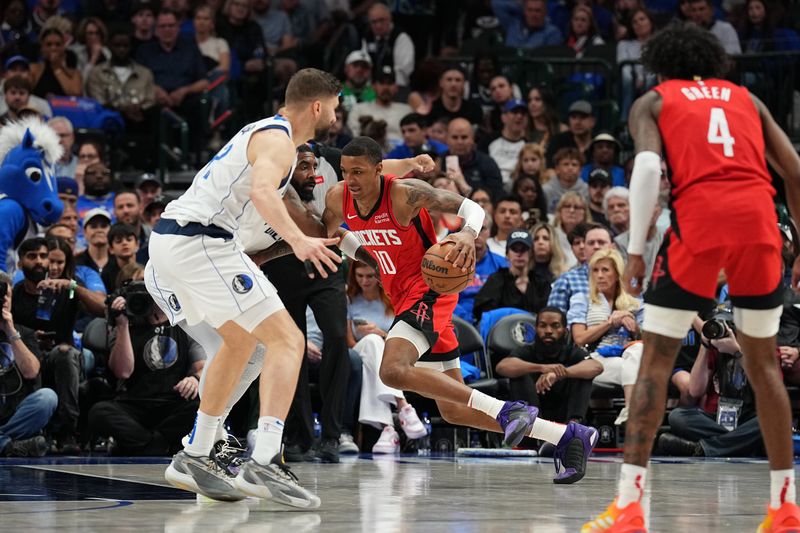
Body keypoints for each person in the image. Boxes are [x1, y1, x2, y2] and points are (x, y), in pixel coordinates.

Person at [582, 23, 800, 532]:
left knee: (655, 363)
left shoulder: (654, 100)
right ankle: (785, 507)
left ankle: (631, 507)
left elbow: (647, 170)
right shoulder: (747, 99)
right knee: (764, 365)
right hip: (759, 222)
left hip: (699, 223)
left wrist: (635, 249)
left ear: (662, 65)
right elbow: (793, 169)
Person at [324, 136, 598, 484]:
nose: (351, 179)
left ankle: (509, 410)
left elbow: (473, 208)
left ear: (379, 170)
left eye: (359, 171)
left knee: (392, 370)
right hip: (404, 297)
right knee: (453, 410)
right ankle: (566, 436)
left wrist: (468, 234)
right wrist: (370, 258)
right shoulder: (339, 197)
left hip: (430, 290)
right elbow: (331, 235)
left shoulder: (405, 193)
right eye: (345, 172)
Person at [148, 68, 342, 507]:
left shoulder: (268, 135)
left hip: (174, 243)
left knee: (241, 345)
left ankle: (195, 454)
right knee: (288, 341)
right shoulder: (278, 139)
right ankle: (266, 458)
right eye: (334, 105)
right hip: (200, 241)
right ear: (317, 105)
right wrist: (298, 240)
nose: (336, 113)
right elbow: (261, 192)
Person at [88, 277, 205, 455]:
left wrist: (194, 379)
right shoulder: (123, 324)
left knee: (202, 406)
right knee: (99, 412)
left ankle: (142, 444)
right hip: (134, 405)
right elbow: (123, 371)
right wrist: (122, 324)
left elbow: (201, 367)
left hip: (172, 403)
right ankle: (159, 444)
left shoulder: (184, 322)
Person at [345, 261, 427, 453]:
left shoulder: (391, 299)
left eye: (370, 276)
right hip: (359, 351)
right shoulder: (349, 299)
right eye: (360, 276)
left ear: (379, 276)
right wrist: (374, 338)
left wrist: (381, 333)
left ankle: (387, 429)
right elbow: (348, 341)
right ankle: (403, 406)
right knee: (372, 343)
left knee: (373, 356)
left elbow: (405, 339)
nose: (365, 281)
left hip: (390, 357)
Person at [569, 248, 643, 423]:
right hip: (594, 358)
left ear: (617, 274)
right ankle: (635, 415)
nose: (600, 275)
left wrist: (633, 326)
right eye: (595, 270)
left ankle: (629, 410)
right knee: (634, 369)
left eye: (605, 270)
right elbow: (579, 338)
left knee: (638, 350)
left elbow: (647, 339)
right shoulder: (582, 299)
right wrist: (610, 322)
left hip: (627, 355)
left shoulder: (635, 302)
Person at [496, 307, 602, 425]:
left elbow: (596, 367)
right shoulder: (527, 351)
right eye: (543, 325)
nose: (548, 331)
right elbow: (502, 367)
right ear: (536, 329)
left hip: (564, 410)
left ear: (565, 331)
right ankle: (528, 424)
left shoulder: (572, 352)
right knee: (518, 373)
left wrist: (559, 373)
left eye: (555, 326)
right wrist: (542, 368)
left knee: (583, 375)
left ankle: (574, 427)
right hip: (532, 413)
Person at [0, 271, 57, 458]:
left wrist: (9, 330)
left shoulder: (24, 333)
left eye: (5, 296)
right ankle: (9, 446)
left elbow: (31, 372)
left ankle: (4, 441)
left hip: (14, 415)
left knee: (47, 398)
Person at [473, 227, 553, 322]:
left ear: (531, 253)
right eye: (514, 249)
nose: (519, 254)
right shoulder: (496, 280)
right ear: (507, 254)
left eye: (523, 249)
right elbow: (483, 314)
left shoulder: (541, 283)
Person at [455, 216, 507, 324]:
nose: (477, 234)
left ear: (490, 232)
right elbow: (444, 297)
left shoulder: (502, 264)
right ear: (462, 231)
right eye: (472, 229)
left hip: (491, 321)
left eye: (482, 229)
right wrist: (465, 319)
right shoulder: (448, 261)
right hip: (457, 320)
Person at [543, 147, 589, 213]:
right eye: (566, 164)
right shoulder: (546, 190)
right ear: (557, 169)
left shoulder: (586, 190)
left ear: (580, 170)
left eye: (574, 165)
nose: (570, 168)